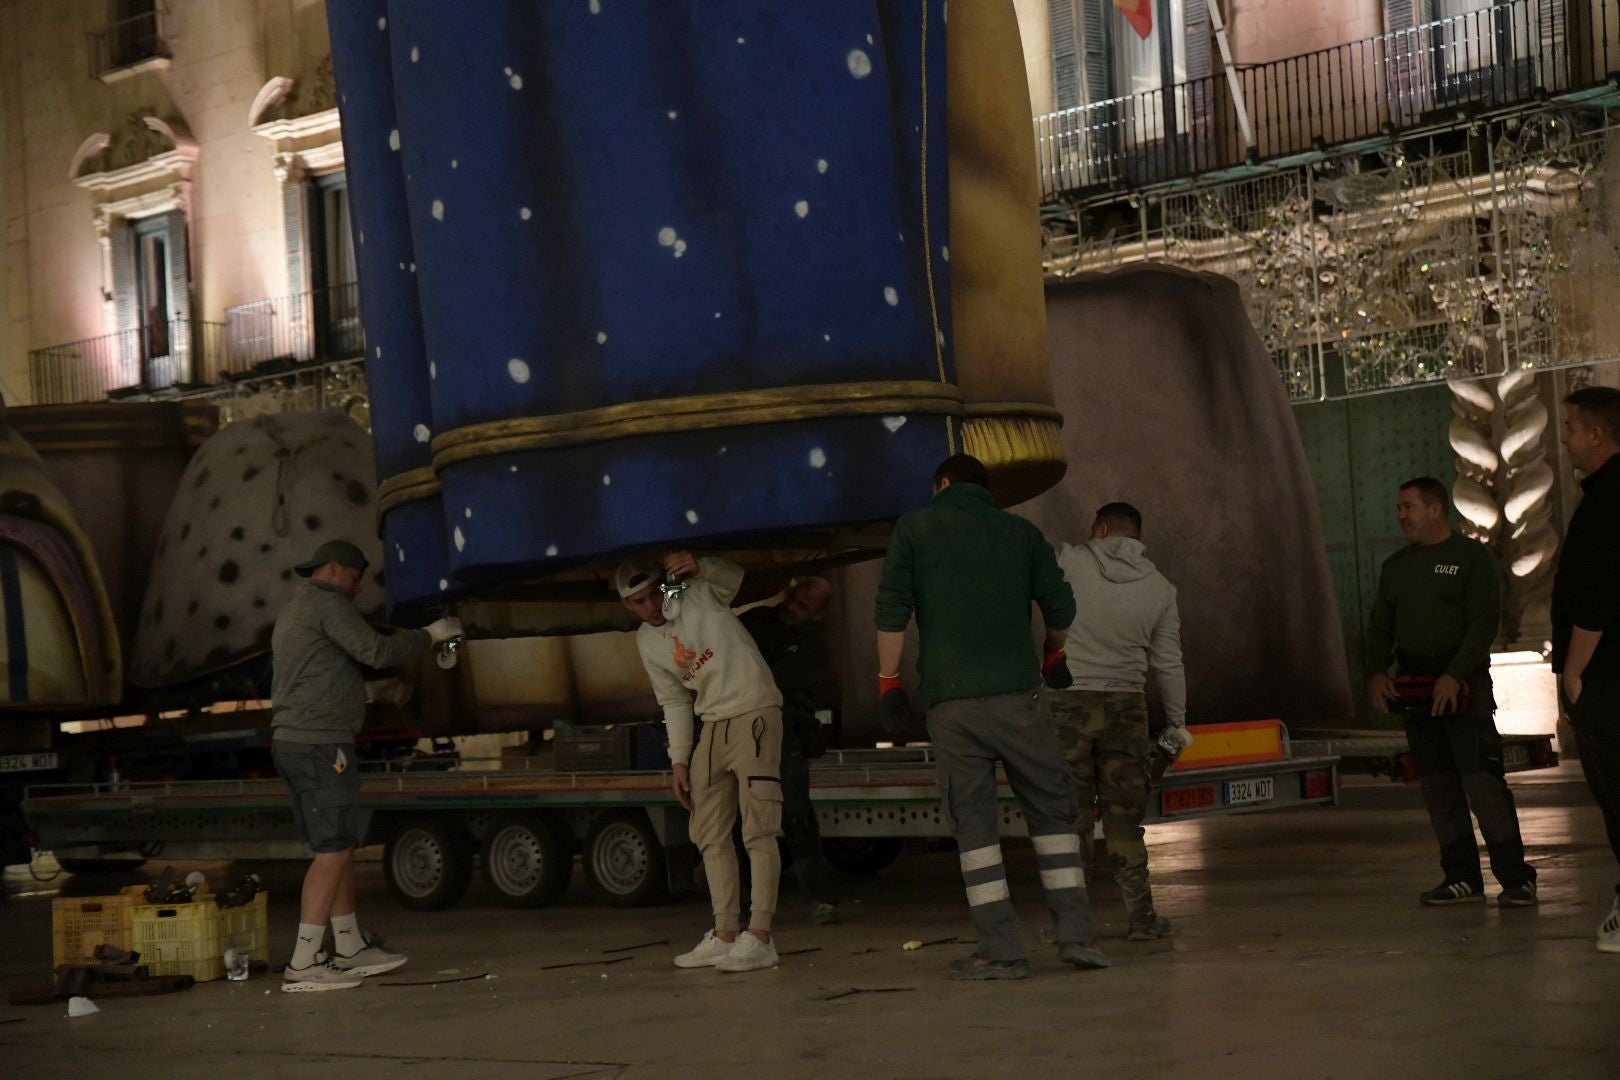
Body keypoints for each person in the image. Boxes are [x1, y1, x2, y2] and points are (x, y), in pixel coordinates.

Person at [875, 453, 1109, 980]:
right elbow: (1061, 608)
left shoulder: (915, 528)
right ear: (986, 491)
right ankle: (1075, 937)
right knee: (1052, 815)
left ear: (941, 484)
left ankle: (1002, 952)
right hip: (1019, 699)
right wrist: (1054, 655)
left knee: (974, 825)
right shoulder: (1021, 533)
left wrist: (889, 684)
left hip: (952, 705)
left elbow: (891, 608)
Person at [271, 540, 461, 992]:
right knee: (333, 849)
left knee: (337, 846)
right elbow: (374, 652)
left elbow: (322, 672)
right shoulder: (326, 603)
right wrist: (430, 635)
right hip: (320, 746)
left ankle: (350, 946)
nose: (357, 590)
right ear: (335, 569)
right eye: (356, 578)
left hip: (300, 741)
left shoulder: (297, 608)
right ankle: (304, 962)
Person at [1367, 478, 1537, 907]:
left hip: (1464, 690)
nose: (1401, 515)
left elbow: (1483, 623)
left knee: (1482, 783)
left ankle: (1517, 879)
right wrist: (1375, 672)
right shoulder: (1396, 567)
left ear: (1436, 510)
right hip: (1416, 690)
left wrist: (1456, 673)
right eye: (1399, 508)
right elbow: (1380, 628)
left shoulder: (1471, 559)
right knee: (1438, 788)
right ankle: (1461, 877)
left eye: (1408, 507)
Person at [618, 551, 785, 973]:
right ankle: (726, 933)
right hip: (711, 722)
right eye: (638, 601)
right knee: (708, 830)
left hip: (753, 709)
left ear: (664, 586)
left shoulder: (697, 594)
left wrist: (700, 565)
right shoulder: (644, 640)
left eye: (654, 594)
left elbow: (736, 577)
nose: (651, 606)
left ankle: (761, 936)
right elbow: (674, 699)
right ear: (627, 605)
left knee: (758, 826)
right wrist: (678, 761)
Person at [1051, 502, 1193, 941]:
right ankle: (1142, 919)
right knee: (1124, 819)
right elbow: (1169, 663)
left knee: (1069, 817)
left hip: (1068, 704)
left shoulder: (1068, 560)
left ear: (1101, 528)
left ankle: (1074, 926)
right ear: (1136, 536)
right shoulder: (1160, 588)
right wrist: (1177, 722)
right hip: (1127, 707)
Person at [1551, 385, 1620, 952]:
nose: (1566, 438)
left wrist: (1573, 673)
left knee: (1617, 794)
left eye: (1571, 427)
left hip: (1608, 680)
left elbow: (1595, 599)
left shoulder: (1605, 501)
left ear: (1598, 434)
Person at [740, 576, 841, 925]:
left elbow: (773, 682)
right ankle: (743, 900)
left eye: (803, 606)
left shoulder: (814, 646)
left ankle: (820, 897)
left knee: (796, 817)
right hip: (747, 733)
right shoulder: (757, 621)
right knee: (745, 818)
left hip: (785, 736)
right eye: (794, 599)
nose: (793, 608)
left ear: (818, 615)